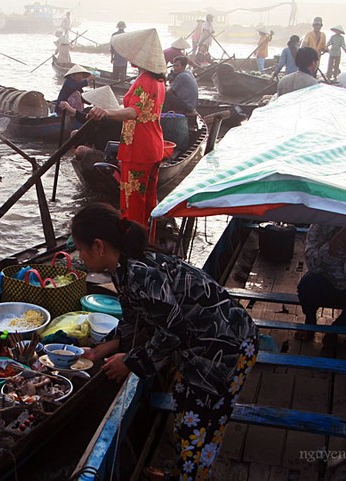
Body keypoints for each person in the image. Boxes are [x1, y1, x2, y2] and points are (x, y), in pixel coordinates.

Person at [73, 203, 258, 481]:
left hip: (225, 346)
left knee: (201, 430)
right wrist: (99, 350)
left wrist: (131, 362)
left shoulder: (140, 272)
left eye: (81, 249)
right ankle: (181, 472)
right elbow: (135, 320)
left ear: (98, 246)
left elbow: (173, 331)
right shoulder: (125, 268)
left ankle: (190, 475)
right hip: (201, 346)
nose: (80, 256)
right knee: (186, 416)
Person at [86, 28, 166, 228]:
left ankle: (134, 244)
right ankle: (147, 239)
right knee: (147, 200)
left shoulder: (146, 80)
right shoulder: (157, 80)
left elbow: (134, 112)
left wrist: (107, 112)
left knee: (133, 202)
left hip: (139, 148)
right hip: (151, 145)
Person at [58, 85, 122, 153]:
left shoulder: (114, 119)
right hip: (96, 144)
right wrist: (71, 110)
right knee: (75, 133)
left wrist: (71, 110)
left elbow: (91, 119)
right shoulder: (99, 118)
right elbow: (87, 118)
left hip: (105, 153)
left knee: (81, 149)